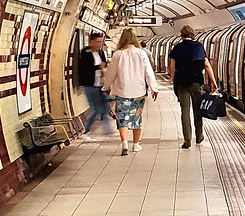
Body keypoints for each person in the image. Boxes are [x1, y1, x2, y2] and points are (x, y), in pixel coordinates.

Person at [104, 28, 158, 156]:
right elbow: (148, 72)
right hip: (138, 92)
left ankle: (124, 144)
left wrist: (106, 86)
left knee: (121, 118)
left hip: (121, 91)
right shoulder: (141, 53)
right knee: (136, 118)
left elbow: (111, 73)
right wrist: (154, 88)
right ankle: (136, 144)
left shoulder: (118, 54)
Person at [168, 25, 217, 149]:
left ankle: (187, 139)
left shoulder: (177, 48)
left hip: (181, 83)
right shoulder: (198, 47)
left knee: (184, 110)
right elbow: (206, 65)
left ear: (181, 34)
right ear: (192, 34)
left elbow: (172, 66)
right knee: (197, 109)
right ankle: (199, 135)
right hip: (196, 82)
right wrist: (213, 81)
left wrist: (173, 78)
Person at [77, 32, 112, 142]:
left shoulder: (101, 52)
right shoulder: (85, 52)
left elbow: (104, 64)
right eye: (97, 42)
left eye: (101, 42)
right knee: (96, 108)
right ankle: (85, 131)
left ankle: (108, 131)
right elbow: (84, 68)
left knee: (104, 106)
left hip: (99, 84)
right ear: (90, 42)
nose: (99, 44)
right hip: (90, 85)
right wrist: (98, 66)